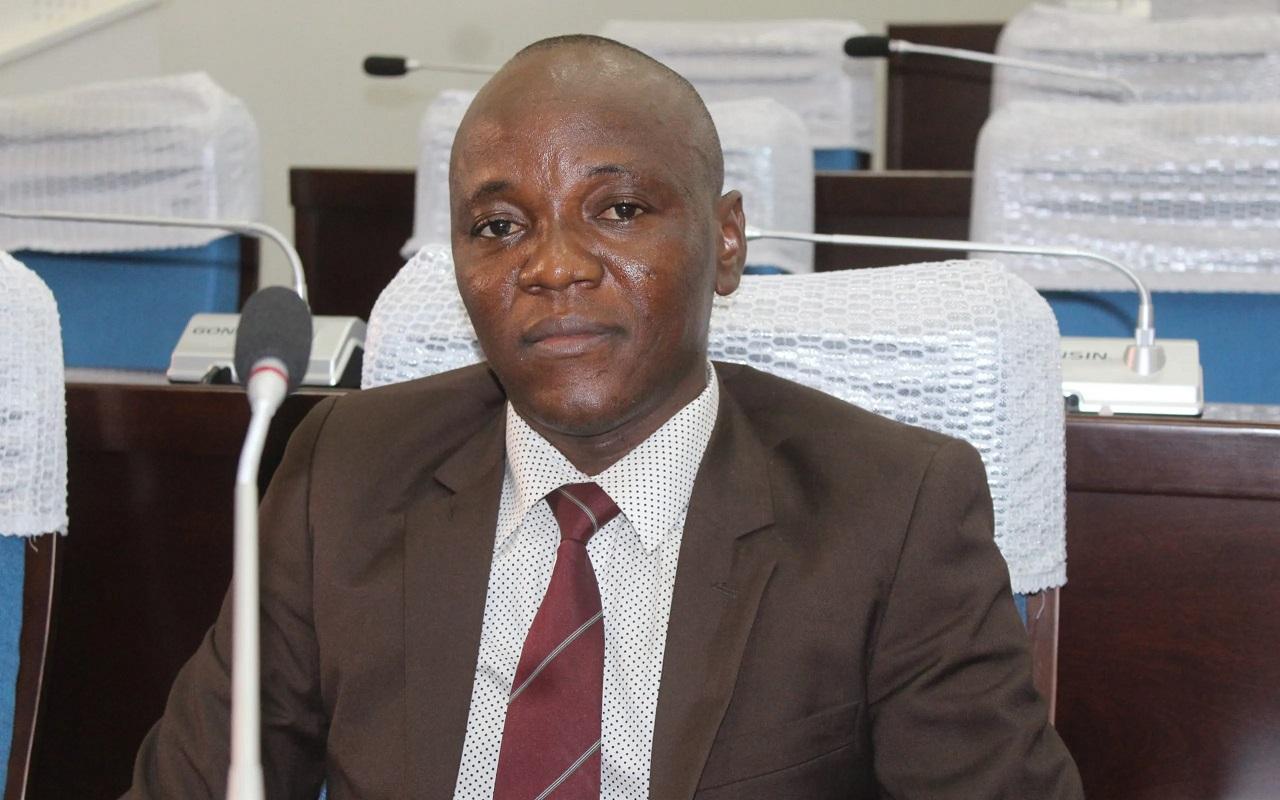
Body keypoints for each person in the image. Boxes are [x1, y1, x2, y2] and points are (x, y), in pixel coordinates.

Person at [123, 35, 1083, 800]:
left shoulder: (890, 511)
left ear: (728, 240)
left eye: (618, 210)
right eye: (499, 227)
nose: (552, 266)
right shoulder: (344, 474)